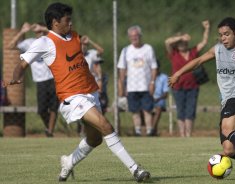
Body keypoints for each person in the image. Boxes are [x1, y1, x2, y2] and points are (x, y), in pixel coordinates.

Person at [3, 2, 150, 182]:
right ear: (55, 22)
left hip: (90, 92)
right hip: (72, 97)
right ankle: (136, 170)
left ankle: (68, 162)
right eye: (67, 20)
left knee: (95, 139)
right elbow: (22, 64)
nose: (71, 23)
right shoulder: (44, 42)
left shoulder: (73, 36)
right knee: (106, 126)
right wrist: (17, 76)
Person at [168, 17, 235, 181]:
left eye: (226, 34)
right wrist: (178, 73)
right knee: (229, 149)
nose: (223, 38)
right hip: (227, 101)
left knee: (226, 129)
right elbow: (198, 61)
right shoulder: (217, 49)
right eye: (221, 35)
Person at [9, 22, 59, 137]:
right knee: (41, 110)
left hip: (52, 78)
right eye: (36, 30)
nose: (38, 32)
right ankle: (49, 127)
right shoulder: (30, 43)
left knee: (53, 107)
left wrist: (43, 28)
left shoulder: (49, 41)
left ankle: (50, 132)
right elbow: (11, 45)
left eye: (40, 30)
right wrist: (22, 32)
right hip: (39, 80)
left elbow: (58, 34)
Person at [165, 20, 210, 137]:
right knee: (181, 111)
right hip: (177, 86)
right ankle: (182, 134)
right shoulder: (173, 53)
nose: (182, 44)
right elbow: (167, 42)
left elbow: (204, 42)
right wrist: (181, 37)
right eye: (180, 43)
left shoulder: (193, 51)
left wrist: (206, 28)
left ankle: (188, 134)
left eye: (184, 42)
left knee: (190, 111)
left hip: (192, 86)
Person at [118, 25, 157, 136]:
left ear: (140, 36)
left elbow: (154, 67)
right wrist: (122, 85)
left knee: (147, 110)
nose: (134, 38)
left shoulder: (148, 49)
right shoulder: (126, 50)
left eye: (136, 35)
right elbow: (122, 69)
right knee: (134, 111)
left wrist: (152, 82)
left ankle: (149, 131)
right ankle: (137, 131)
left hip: (145, 85)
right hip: (131, 86)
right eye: (131, 36)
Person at [78, 35, 108, 136]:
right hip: (81, 85)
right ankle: (83, 130)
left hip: (92, 85)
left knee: (96, 107)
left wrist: (89, 41)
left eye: (85, 45)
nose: (84, 46)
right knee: (83, 108)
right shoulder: (76, 55)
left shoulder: (91, 54)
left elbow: (101, 50)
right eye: (82, 44)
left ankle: (97, 129)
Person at [151, 60, 169, 136]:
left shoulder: (164, 77)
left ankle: (152, 130)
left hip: (159, 99)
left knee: (158, 108)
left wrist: (157, 99)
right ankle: (151, 130)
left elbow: (165, 94)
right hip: (148, 99)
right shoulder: (148, 76)